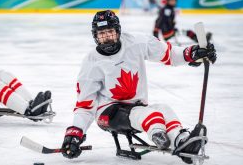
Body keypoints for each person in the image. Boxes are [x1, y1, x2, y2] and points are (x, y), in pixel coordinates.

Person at [61, 10, 216, 164]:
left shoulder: (137, 42)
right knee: (144, 115)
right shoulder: (91, 62)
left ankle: (181, 140)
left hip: (136, 107)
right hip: (108, 112)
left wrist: (192, 53)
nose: (107, 37)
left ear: (118, 31)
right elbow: (85, 104)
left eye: (110, 32)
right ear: (95, 35)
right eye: (102, 33)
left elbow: (168, 54)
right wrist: (75, 133)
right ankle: (157, 133)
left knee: (164, 109)